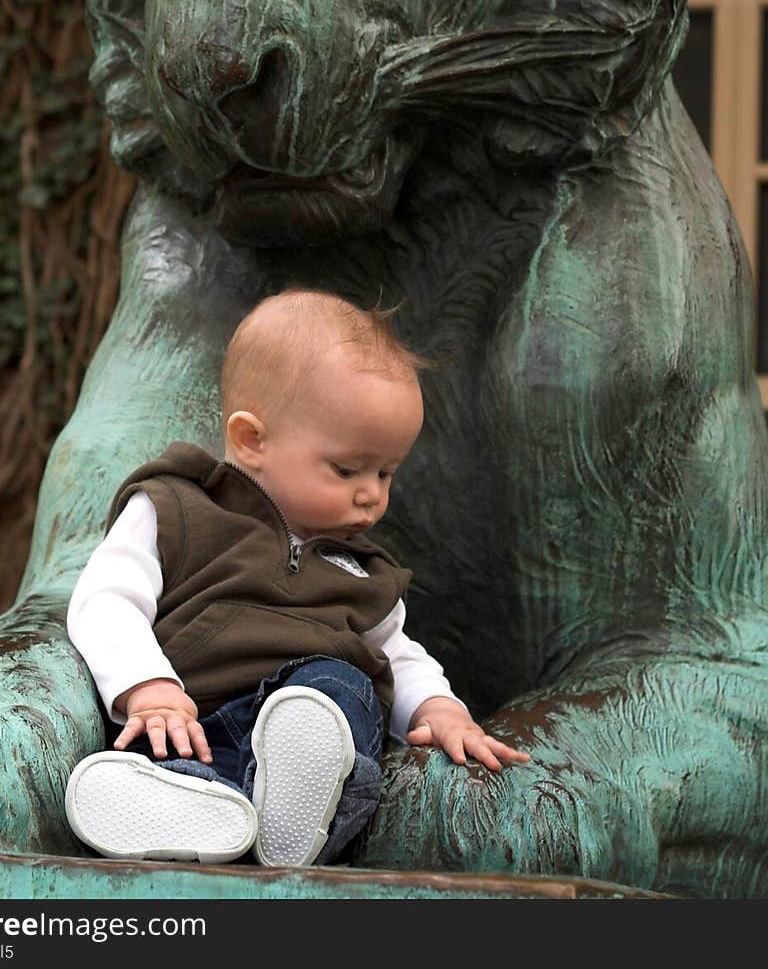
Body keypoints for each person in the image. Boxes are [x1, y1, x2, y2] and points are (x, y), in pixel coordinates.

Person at [64, 290, 529, 867]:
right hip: (196, 719)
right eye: (347, 468)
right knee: (169, 756)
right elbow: (106, 601)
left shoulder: (366, 574)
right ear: (252, 440)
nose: (372, 494)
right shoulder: (177, 509)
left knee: (338, 687)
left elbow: (399, 655)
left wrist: (439, 709)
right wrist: (148, 686)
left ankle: (285, 809)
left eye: (387, 472)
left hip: (320, 730)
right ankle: (188, 808)